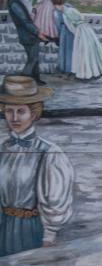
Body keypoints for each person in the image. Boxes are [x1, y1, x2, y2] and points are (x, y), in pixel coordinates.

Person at [0, 74, 74, 256]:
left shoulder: (49, 153)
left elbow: (56, 201)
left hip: (30, 230)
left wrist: (48, 236)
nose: (14, 118)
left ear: (33, 114)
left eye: (21, 111)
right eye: (9, 111)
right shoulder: (2, 149)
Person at [6, 0, 42, 84]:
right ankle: (23, 80)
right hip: (27, 34)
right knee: (33, 58)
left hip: (28, 33)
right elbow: (25, 20)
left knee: (34, 57)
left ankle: (36, 80)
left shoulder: (16, 0)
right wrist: (37, 31)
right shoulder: (14, 3)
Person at [63, 0, 102, 80]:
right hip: (87, 29)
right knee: (92, 49)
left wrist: (76, 33)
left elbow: (71, 28)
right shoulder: (73, 10)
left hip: (80, 31)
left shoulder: (65, 14)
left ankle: (86, 73)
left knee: (83, 52)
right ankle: (97, 70)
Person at [53, 0, 74, 75]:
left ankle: (64, 69)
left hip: (63, 31)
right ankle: (70, 69)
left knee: (63, 51)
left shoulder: (56, 10)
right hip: (71, 31)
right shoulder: (69, 6)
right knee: (70, 51)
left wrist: (58, 34)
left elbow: (57, 23)